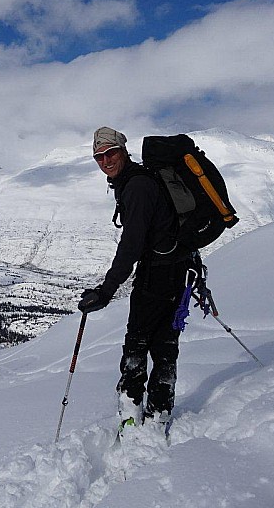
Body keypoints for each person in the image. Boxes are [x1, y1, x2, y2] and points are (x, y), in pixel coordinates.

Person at [77, 126, 194, 429]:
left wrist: (106, 290)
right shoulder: (138, 181)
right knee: (165, 343)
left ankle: (131, 413)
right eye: (98, 157)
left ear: (123, 151)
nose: (105, 160)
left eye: (110, 153)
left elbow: (132, 245)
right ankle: (159, 412)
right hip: (175, 270)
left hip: (157, 273)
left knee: (137, 344)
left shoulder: (137, 186)